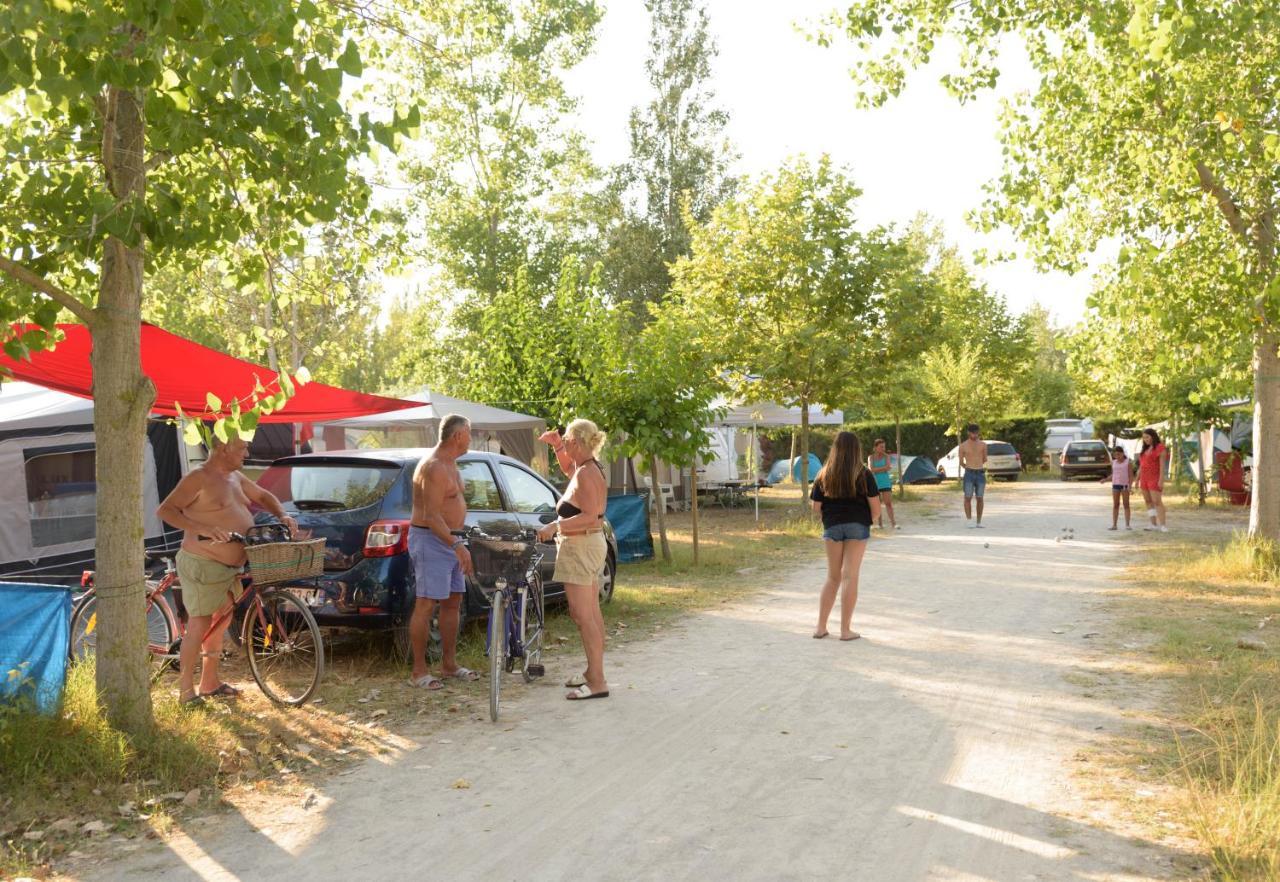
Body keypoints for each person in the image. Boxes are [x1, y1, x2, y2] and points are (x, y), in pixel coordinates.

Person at [157, 435, 298, 705]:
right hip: (203, 563)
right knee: (199, 624)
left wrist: (283, 515)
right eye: (242, 447)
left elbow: (263, 495)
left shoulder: (235, 476)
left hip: (230, 566)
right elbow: (166, 510)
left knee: (220, 623)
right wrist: (203, 529)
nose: (247, 452)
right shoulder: (198, 477)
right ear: (223, 448)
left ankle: (209, 682)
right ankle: (185, 693)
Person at [537, 420, 610, 700]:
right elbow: (570, 470)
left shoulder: (587, 474)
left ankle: (598, 681)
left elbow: (591, 516)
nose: (565, 442)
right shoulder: (585, 468)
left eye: (566, 439)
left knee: (583, 615)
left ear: (577, 442)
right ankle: (593, 672)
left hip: (581, 546)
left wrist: (555, 526)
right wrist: (556, 446)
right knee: (590, 613)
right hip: (584, 545)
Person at [407, 413, 479, 690]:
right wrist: (457, 545)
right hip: (431, 540)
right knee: (426, 603)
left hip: (451, 540)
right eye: (469, 433)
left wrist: (460, 537)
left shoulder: (452, 465)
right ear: (458, 435)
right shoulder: (434, 467)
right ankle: (418, 672)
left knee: (453, 601)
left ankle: (448, 665)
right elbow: (432, 516)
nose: (470, 439)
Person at [809, 431, 881, 641]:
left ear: (835, 448)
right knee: (850, 576)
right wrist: (870, 521)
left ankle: (820, 627)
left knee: (833, 577)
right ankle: (845, 630)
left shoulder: (823, 474)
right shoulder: (864, 474)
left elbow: (816, 507)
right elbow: (876, 508)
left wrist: (830, 517)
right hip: (857, 526)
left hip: (832, 527)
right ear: (856, 450)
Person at [1136, 428, 1169, 532]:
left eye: (1147, 437)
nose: (1146, 439)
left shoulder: (1160, 448)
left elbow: (1162, 466)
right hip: (1144, 478)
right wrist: (1137, 479)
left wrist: (1161, 480)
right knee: (1148, 501)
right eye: (1144, 438)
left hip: (1154, 477)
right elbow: (1141, 466)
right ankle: (1153, 524)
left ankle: (1163, 525)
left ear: (1153, 436)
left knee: (1157, 501)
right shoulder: (1144, 450)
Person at [958, 423, 988, 528]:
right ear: (968, 433)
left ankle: (979, 522)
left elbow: (985, 459)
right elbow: (961, 462)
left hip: (980, 473)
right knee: (967, 497)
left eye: (976, 433)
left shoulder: (983, 445)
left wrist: (977, 464)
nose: (975, 435)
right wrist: (969, 467)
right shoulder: (963, 446)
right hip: (969, 473)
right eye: (973, 433)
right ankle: (969, 520)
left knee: (980, 498)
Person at [868, 439, 898, 530]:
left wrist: (877, 469)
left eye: (884, 446)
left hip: (885, 483)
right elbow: (871, 469)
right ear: (875, 447)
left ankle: (894, 523)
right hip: (875, 483)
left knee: (888, 503)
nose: (883, 448)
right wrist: (883, 468)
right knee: (878, 503)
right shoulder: (871, 457)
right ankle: (880, 524)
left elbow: (888, 468)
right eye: (881, 447)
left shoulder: (886, 456)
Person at [1101, 446, 1133, 530]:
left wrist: (1130, 486)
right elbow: (1114, 474)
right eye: (1115, 455)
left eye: (1119, 454)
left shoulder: (1128, 462)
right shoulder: (1114, 462)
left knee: (1126, 504)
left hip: (1125, 485)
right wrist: (1106, 479)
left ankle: (1127, 525)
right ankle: (1114, 525)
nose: (1117, 456)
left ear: (1122, 453)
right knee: (1116, 505)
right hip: (1115, 485)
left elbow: (1130, 475)